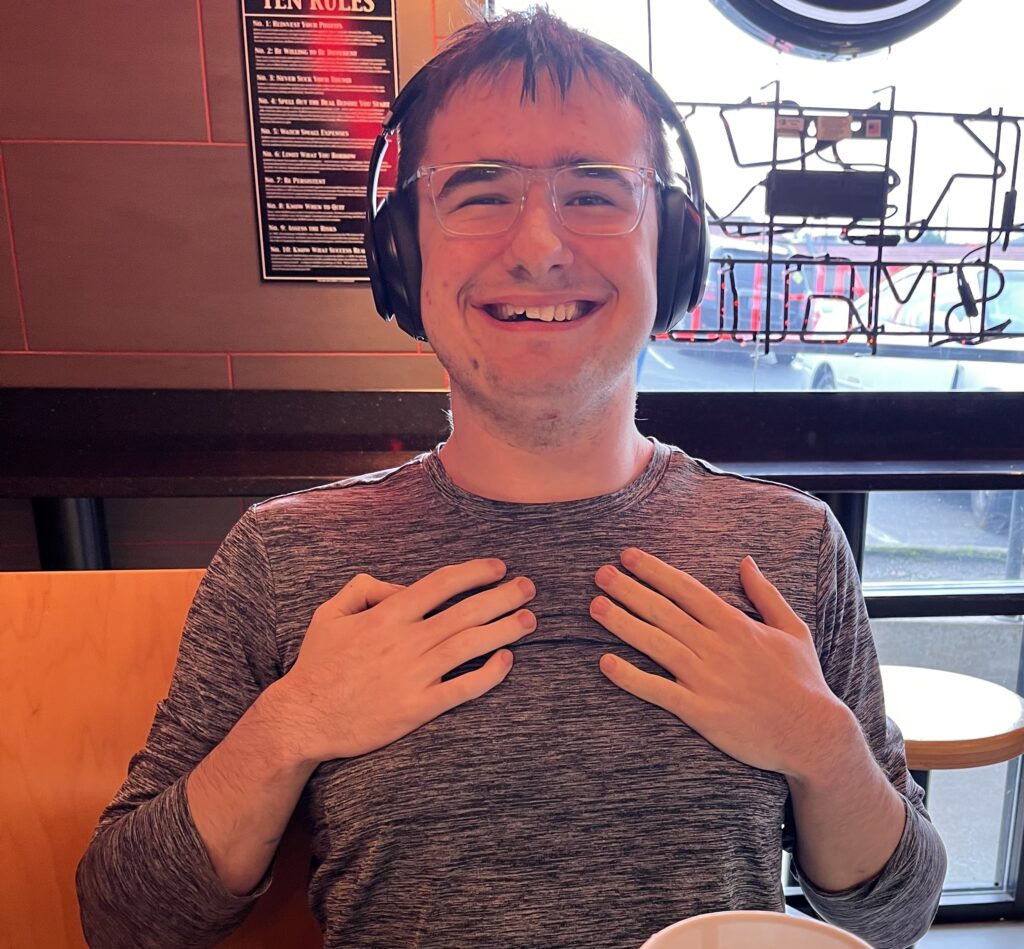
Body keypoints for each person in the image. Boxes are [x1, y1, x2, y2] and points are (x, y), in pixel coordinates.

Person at [77, 10, 945, 948]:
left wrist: (820, 747)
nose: (538, 246)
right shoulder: (285, 555)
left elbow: (894, 912)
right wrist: (293, 725)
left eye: (595, 192)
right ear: (402, 253)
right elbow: (125, 918)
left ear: (675, 248)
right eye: (479, 192)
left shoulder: (790, 548)